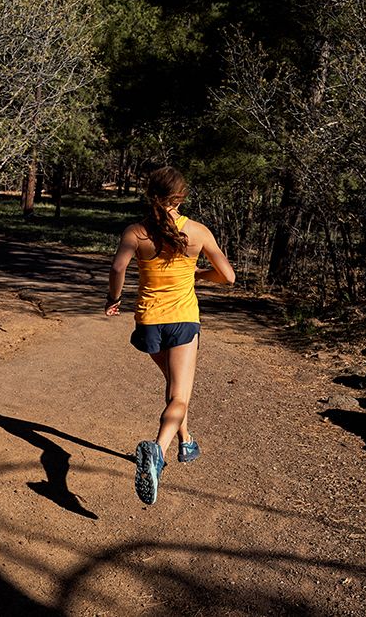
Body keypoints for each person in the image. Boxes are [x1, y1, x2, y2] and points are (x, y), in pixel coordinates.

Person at [105, 167, 235, 505]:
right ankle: (158, 452)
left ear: (151, 194)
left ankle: (187, 441)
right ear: (181, 197)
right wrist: (199, 275)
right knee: (180, 395)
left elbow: (118, 268)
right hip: (183, 321)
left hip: (149, 321)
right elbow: (228, 276)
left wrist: (113, 299)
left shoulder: (136, 232)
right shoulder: (197, 232)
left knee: (175, 388)